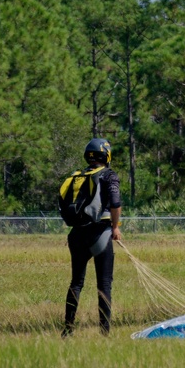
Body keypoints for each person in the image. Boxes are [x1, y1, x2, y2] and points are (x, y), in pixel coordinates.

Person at [63, 138, 122, 337]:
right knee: (104, 284)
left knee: (76, 283)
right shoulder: (109, 176)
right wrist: (115, 227)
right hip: (100, 235)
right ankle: (105, 332)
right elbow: (115, 203)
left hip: (76, 235)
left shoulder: (78, 177)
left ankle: (68, 330)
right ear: (106, 155)